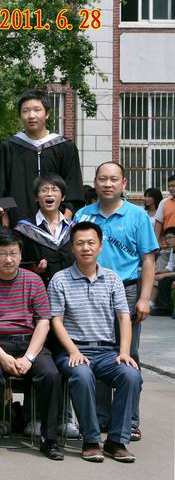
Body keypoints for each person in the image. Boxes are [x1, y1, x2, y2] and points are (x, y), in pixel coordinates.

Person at [73, 162, 157, 441]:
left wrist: (144, 298)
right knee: (96, 352)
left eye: (113, 179)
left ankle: (129, 419)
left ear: (123, 183)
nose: (107, 184)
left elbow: (148, 259)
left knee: (128, 355)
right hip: (91, 290)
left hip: (127, 289)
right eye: (102, 179)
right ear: (95, 182)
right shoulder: (84, 214)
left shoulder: (137, 216)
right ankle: (101, 418)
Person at [48, 222, 142, 463]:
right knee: (82, 376)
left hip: (107, 351)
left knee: (131, 375)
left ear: (100, 246)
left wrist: (124, 352)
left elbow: (124, 317)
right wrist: (73, 351)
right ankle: (90, 440)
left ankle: (116, 441)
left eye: (91, 243)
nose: (86, 248)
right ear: (72, 248)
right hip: (73, 350)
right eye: (80, 243)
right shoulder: (60, 279)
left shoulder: (112, 278)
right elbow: (56, 321)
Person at [0, 228, 63, 460]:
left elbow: (43, 322)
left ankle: (49, 439)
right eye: (3, 254)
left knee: (51, 375)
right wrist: (2, 356)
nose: (8, 259)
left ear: (21, 255)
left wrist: (29, 358)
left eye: (13, 253)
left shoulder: (34, 281)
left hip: (29, 344)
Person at [0, 90, 84, 223]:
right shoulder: (9, 147)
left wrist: (67, 214)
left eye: (37, 110)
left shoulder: (65, 147)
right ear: (20, 115)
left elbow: (73, 184)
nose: (31, 115)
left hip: (56, 222)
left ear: (47, 113)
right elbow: (2, 186)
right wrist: (5, 216)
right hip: (18, 221)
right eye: (25, 111)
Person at [14, 174, 76, 285]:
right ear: (36, 197)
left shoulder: (74, 229)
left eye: (54, 190)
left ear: (63, 197)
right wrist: (32, 269)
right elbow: (17, 263)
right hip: (39, 288)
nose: (49, 193)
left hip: (71, 288)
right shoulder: (23, 230)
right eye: (44, 190)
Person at [152, 175, 175, 244]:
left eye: (173, 186)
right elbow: (158, 225)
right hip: (167, 245)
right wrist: (156, 244)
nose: (170, 188)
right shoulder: (164, 202)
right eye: (169, 186)